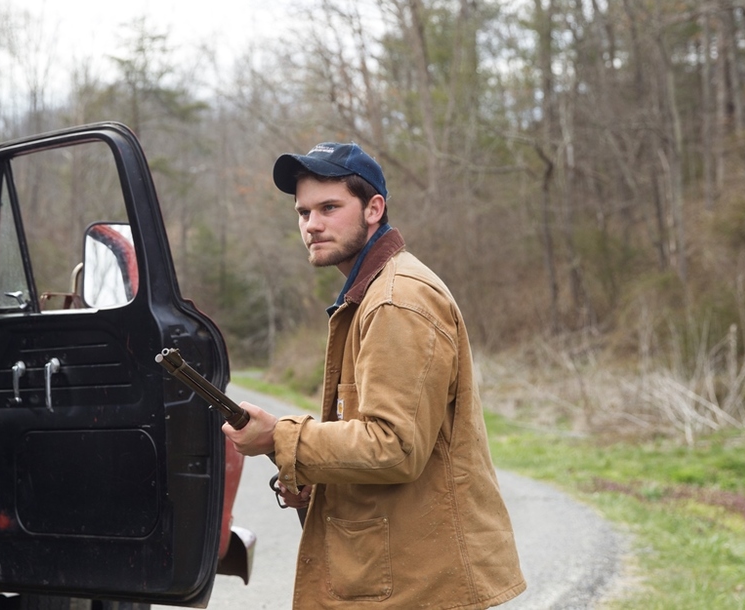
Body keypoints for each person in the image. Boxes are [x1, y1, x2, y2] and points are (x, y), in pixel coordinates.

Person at [223, 142, 526, 609]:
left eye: (329, 208)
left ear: (373, 209)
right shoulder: (369, 295)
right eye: (304, 212)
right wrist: (311, 470)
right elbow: (374, 435)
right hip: (402, 576)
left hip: (421, 586)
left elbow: (393, 446)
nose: (312, 225)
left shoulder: (396, 301)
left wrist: (281, 440)